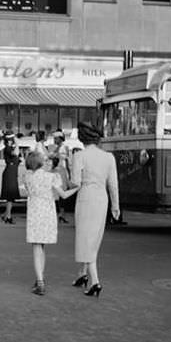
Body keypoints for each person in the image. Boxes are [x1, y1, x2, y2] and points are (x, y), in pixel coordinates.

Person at [71, 122, 120, 298]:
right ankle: (82, 274)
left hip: (86, 198)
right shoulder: (109, 157)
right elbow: (113, 185)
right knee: (93, 237)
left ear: (82, 138)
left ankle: (95, 282)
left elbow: (75, 182)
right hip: (102, 199)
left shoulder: (79, 156)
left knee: (85, 238)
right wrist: (116, 206)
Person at [23, 151, 80, 295]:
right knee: (42, 247)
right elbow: (63, 195)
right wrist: (78, 187)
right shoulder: (52, 177)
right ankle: (40, 278)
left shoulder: (27, 177)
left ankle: (40, 281)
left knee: (36, 247)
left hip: (34, 213)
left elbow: (30, 193)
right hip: (48, 213)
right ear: (41, 162)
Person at [0, 131, 20, 224]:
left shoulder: (9, 148)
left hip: (12, 172)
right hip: (10, 173)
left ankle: (6, 215)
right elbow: (16, 153)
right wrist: (17, 144)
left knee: (11, 197)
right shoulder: (8, 148)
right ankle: (8, 216)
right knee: (10, 196)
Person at [49, 130, 70, 224]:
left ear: (60, 139)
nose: (54, 140)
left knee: (61, 194)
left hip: (61, 172)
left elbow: (65, 160)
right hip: (58, 172)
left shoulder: (63, 148)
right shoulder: (58, 148)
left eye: (55, 138)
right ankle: (60, 214)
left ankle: (61, 214)